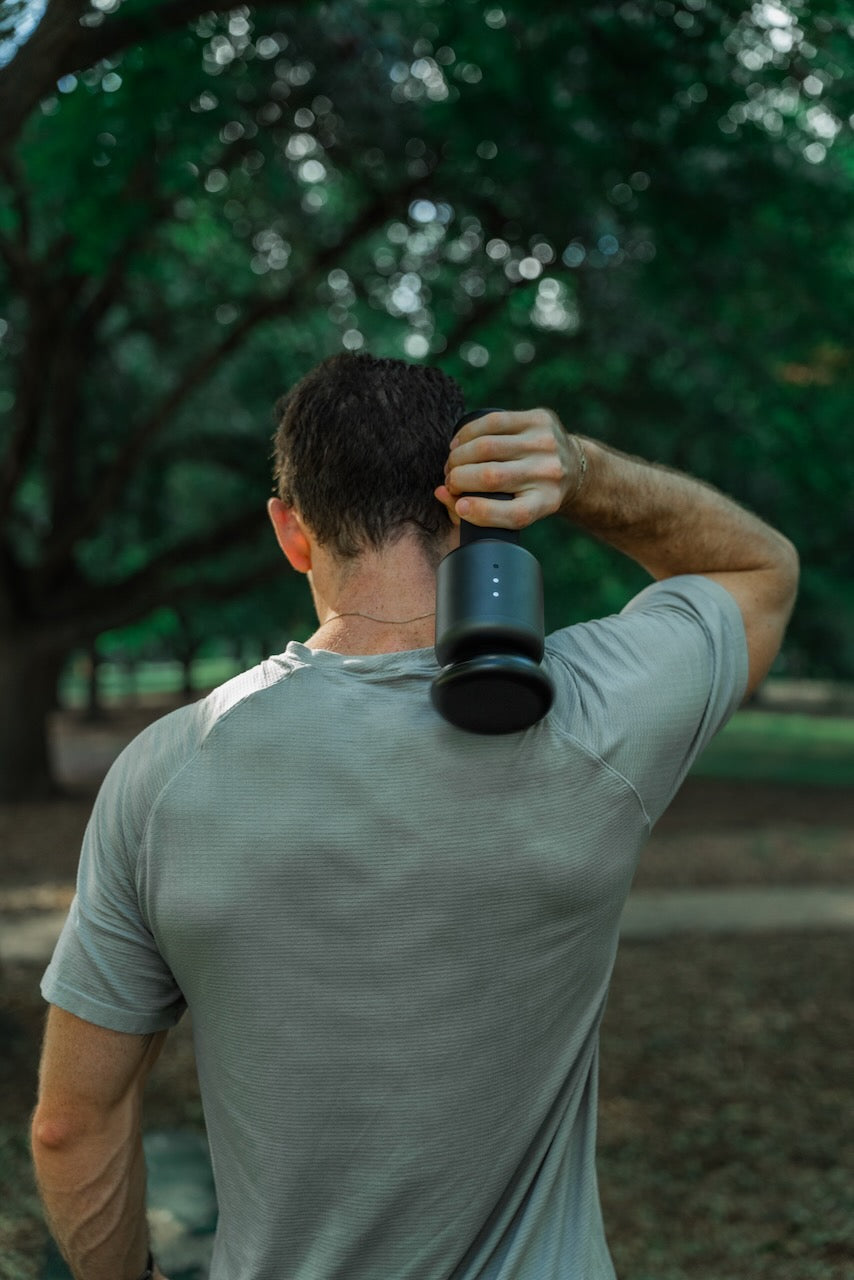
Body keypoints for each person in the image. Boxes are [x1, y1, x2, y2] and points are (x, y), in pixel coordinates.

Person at [32, 353, 798, 1280]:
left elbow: (72, 1126)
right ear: (473, 511)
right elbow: (759, 567)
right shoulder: (595, 715)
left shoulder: (161, 775)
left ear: (291, 530)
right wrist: (587, 475)